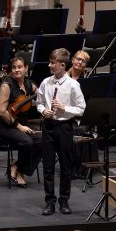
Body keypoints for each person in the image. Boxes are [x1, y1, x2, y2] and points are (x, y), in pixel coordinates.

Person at [37, 48, 85, 216]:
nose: (50, 65)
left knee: (66, 166)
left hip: (64, 128)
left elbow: (81, 109)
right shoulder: (45, 82)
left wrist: (65, 108)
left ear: (62, 65)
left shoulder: (73, 85)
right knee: (48, 166)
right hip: (49, 127)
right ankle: (49, 201)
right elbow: (39, 102)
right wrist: (43, 111)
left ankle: (64, 200)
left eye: (53, 63)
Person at [0, 54, 42, 188]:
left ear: (26, 68)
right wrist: (19, 126)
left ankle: (16, 166)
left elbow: (42, 95)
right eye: (14, 67)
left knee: (43, 139)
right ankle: (20, 173)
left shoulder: (30, 84)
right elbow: (2, 111)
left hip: (20, 124)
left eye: (20, 67)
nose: (16, 70)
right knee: (27, 141)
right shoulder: (6, 85)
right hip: (3, 125)